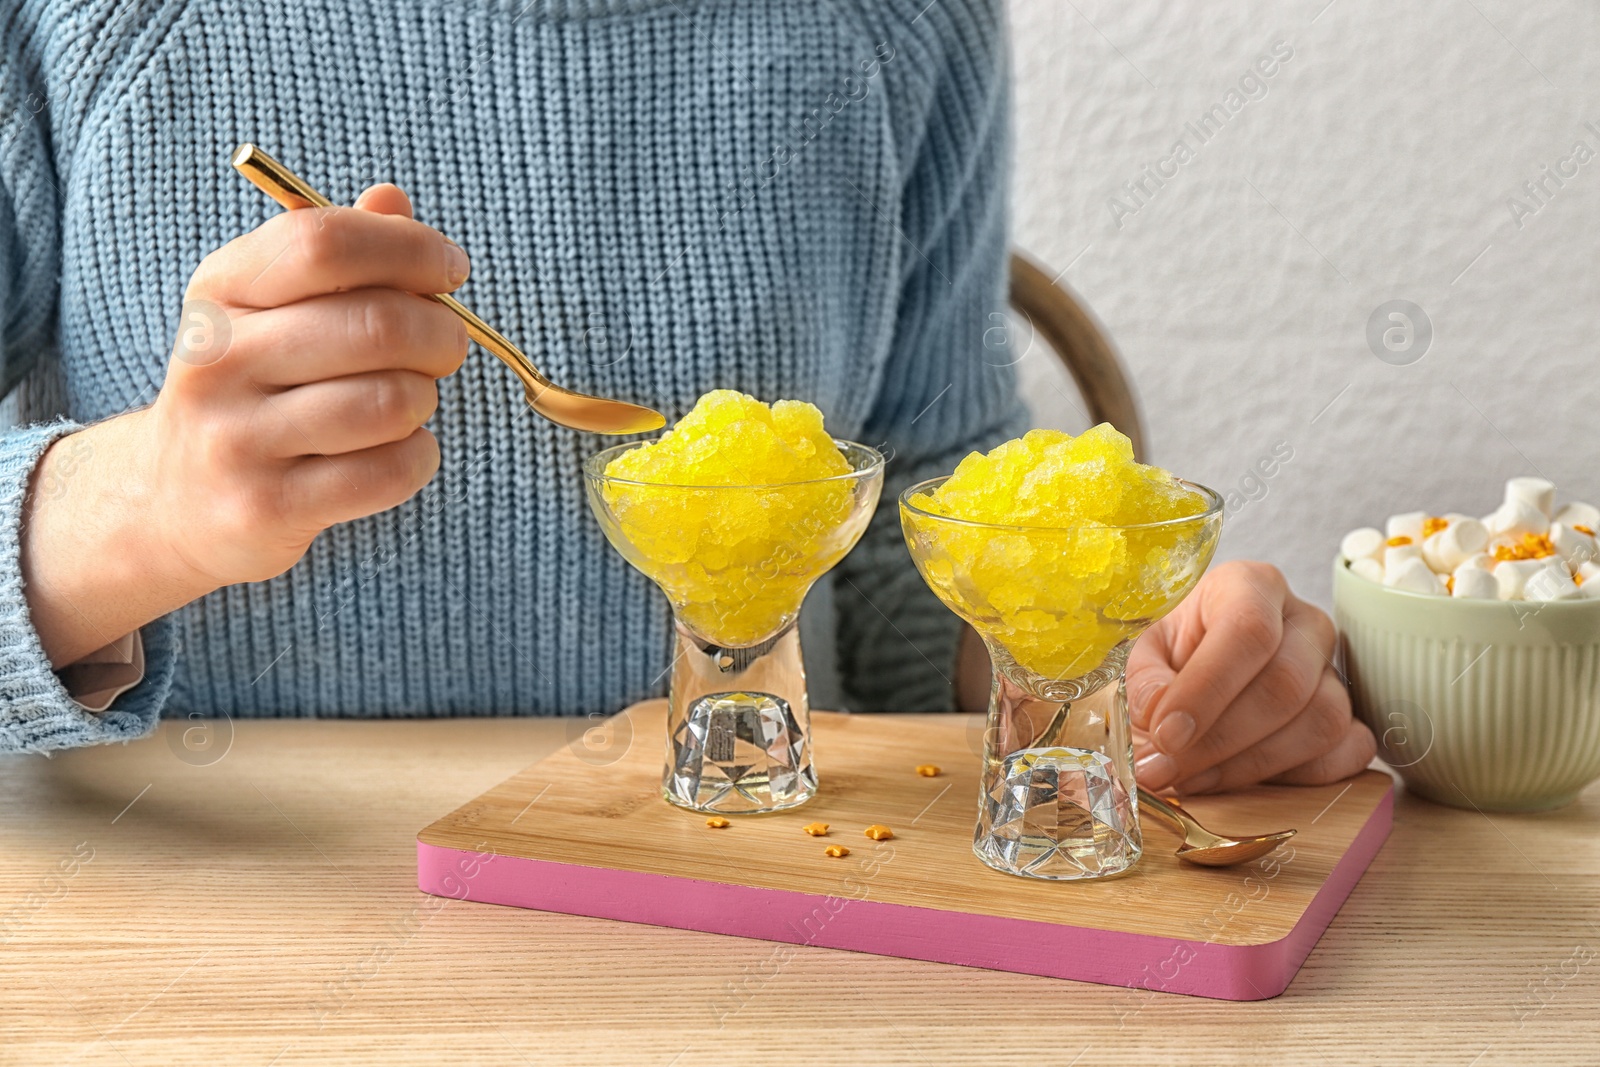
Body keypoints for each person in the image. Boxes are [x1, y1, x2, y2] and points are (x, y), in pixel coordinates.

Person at [0, 0, 1373, 794]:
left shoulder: (899, 22)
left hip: (733, 901)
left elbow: (906, 527)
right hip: (196, 913)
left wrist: (1089, 656)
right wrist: (140, 510)